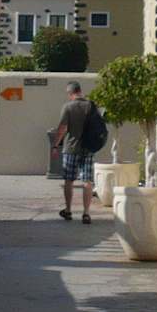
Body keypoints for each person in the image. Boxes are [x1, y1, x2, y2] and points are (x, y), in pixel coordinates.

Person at [50, 80, 94, 224]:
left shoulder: (68, 107)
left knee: (69, 180)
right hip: (88, 148)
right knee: (87, 181)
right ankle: (86, 213)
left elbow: (62, 128)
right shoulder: (91, 106)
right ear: (80, 90)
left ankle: (68, 210)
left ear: (70, 93)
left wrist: (55, 145)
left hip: (71, 149)